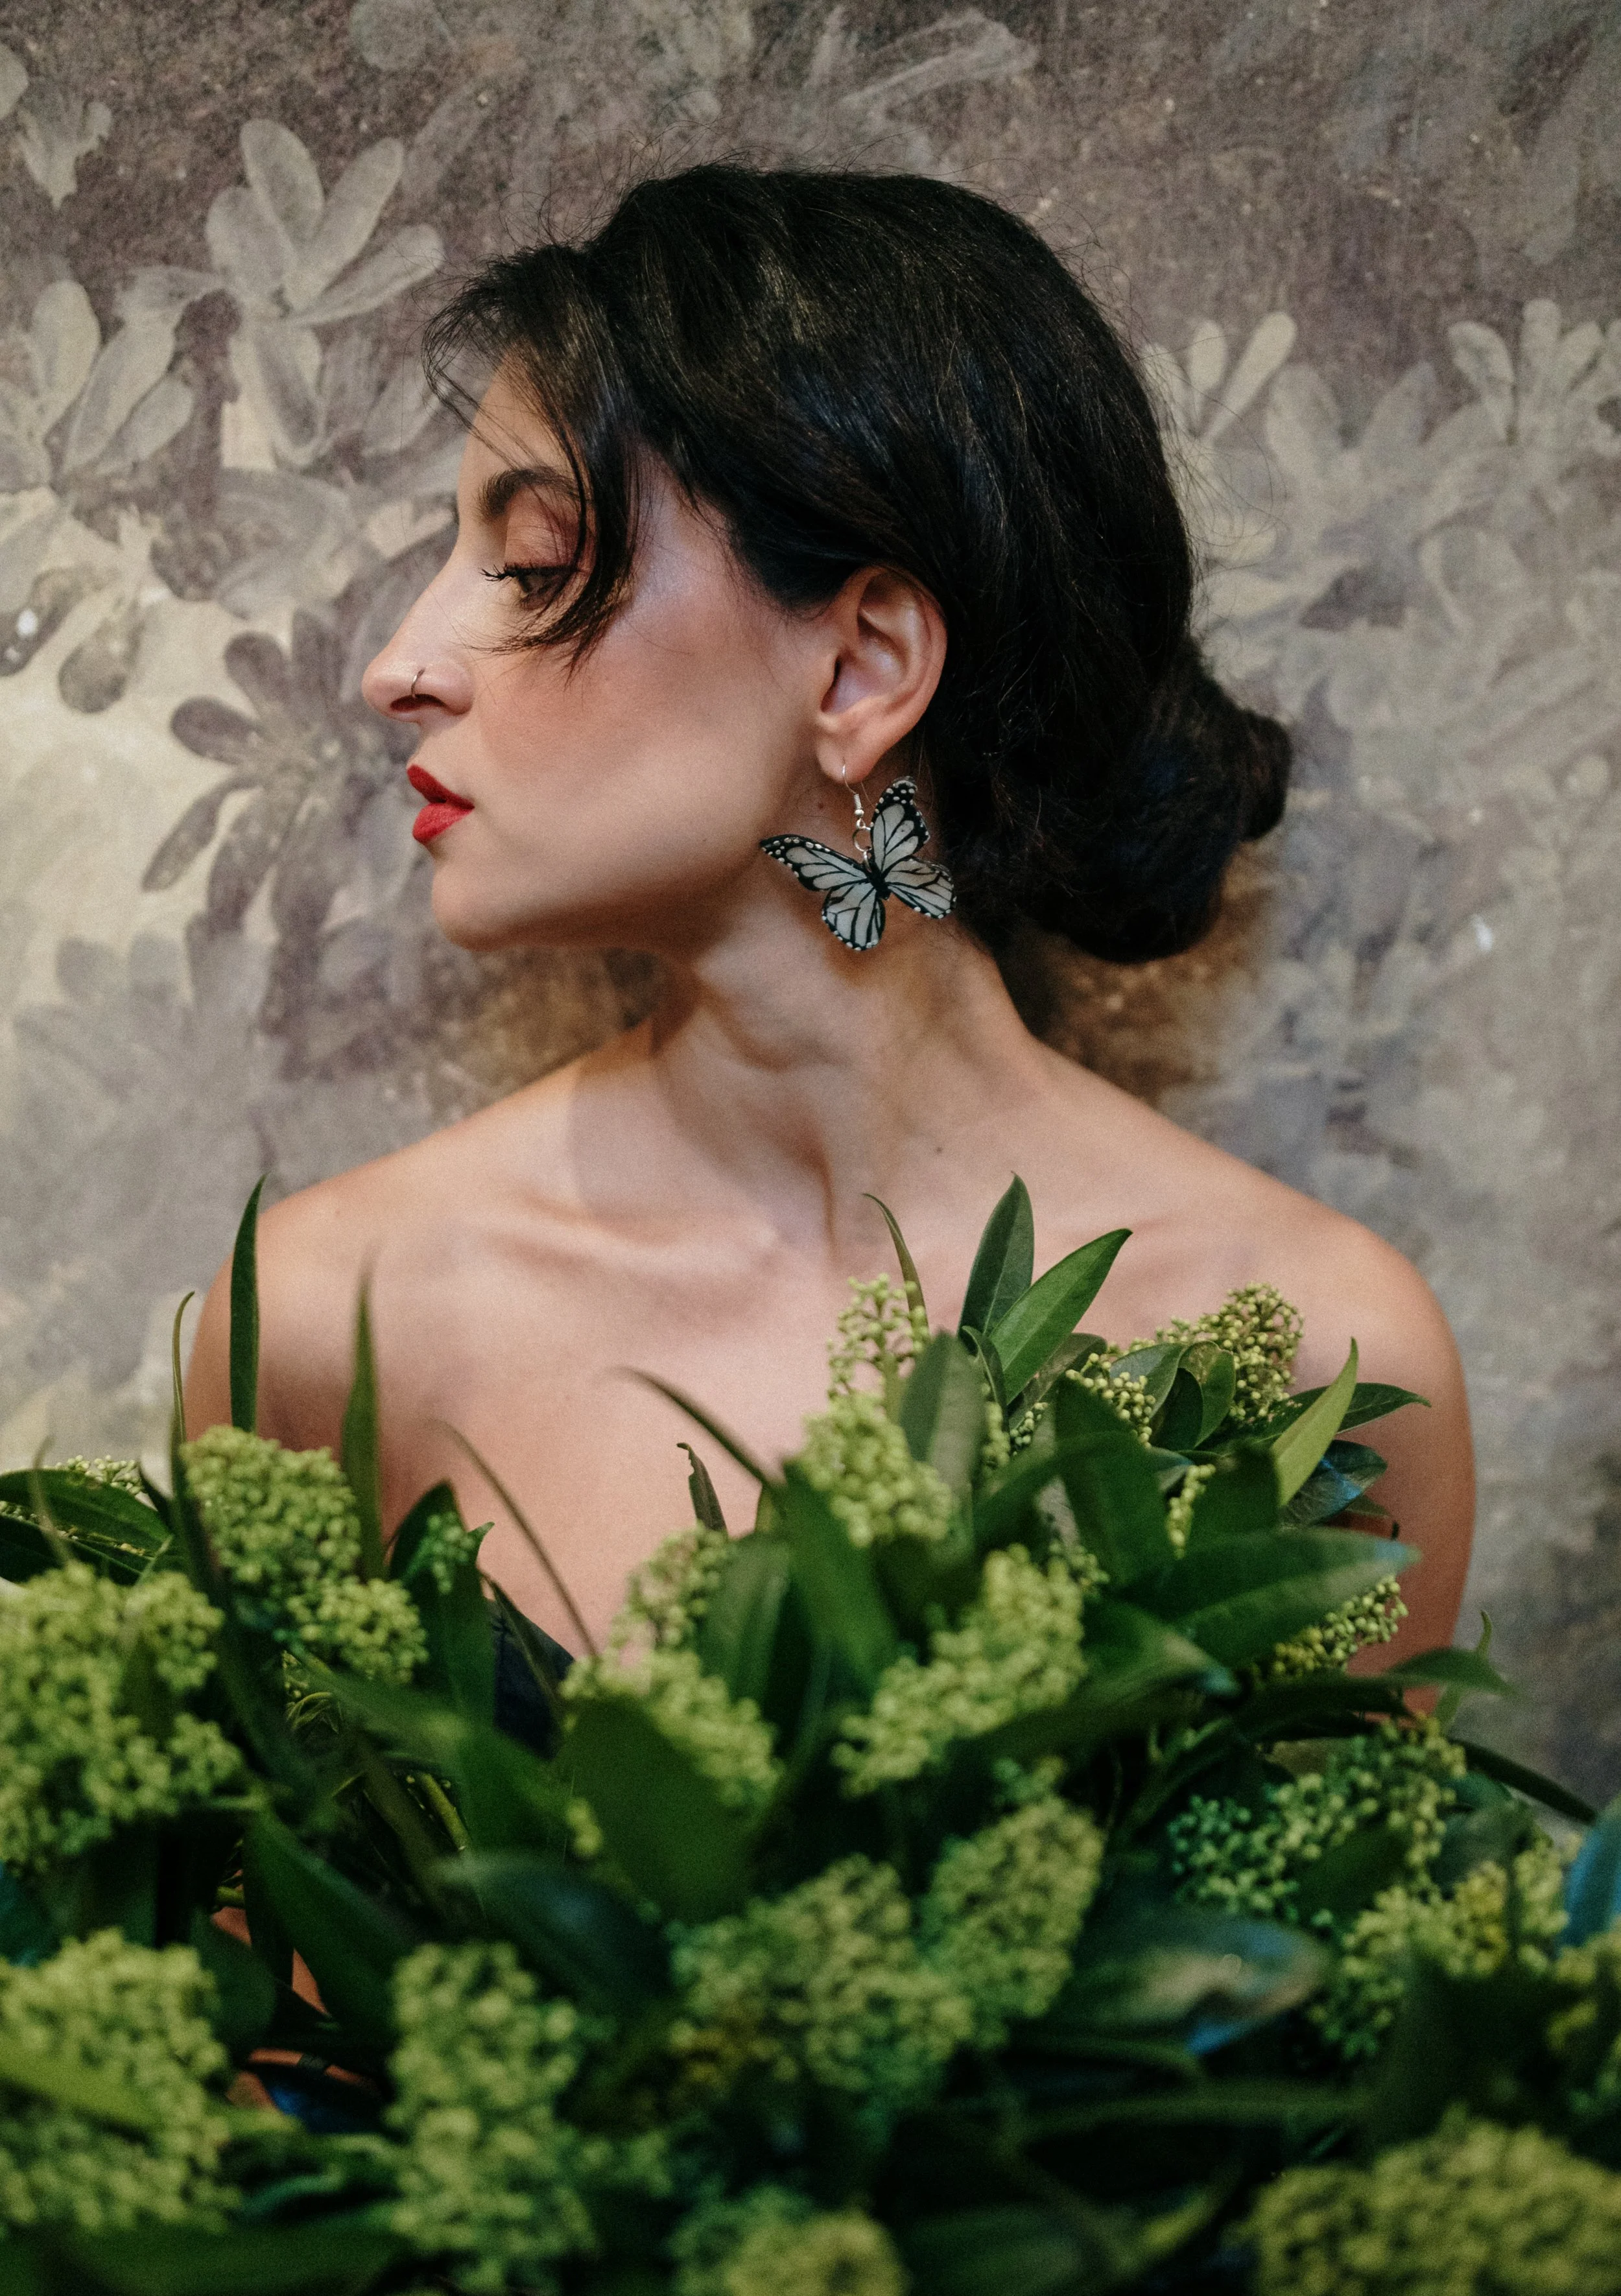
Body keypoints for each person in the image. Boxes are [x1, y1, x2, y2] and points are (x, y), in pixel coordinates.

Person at [184, 165, 1473, 1661]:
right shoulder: (329, 1324)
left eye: (532, 566)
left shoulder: (1314, 1358)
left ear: (860, 670)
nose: (398, 664)